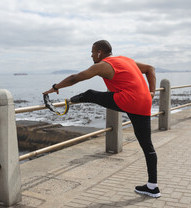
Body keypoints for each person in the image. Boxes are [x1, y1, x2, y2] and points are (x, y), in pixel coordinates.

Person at [43, 40, 160, 198]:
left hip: (129, 100)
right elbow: (150, 69)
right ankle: (153, 187)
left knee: (91, 94)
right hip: (144, 102)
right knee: (147, 146)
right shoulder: (126, 60)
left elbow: (76, 78)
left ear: (99, 52)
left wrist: (55, 87)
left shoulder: (103, 65)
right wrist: (151, 92)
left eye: (92, 52)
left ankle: (70, 102)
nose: (91, 55)